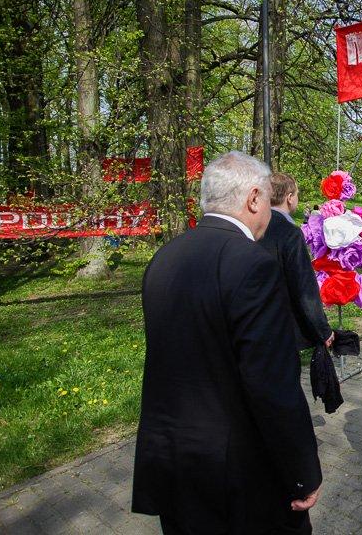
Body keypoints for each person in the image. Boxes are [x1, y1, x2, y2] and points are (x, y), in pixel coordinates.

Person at [133, 152, 323, 535]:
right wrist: (304, 472)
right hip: (235, 475)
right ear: (253, 199)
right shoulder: (252, 264)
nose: (270, 213)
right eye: (267, 201)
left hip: (172, 462)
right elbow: (272, 384)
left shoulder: (165, 256)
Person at [258, 173, 334, 350]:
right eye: (297, 194)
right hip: (282, 329)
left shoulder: (253, 225)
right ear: (290, 197)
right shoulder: (289, 233)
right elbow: (304, 287)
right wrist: (323, 330)